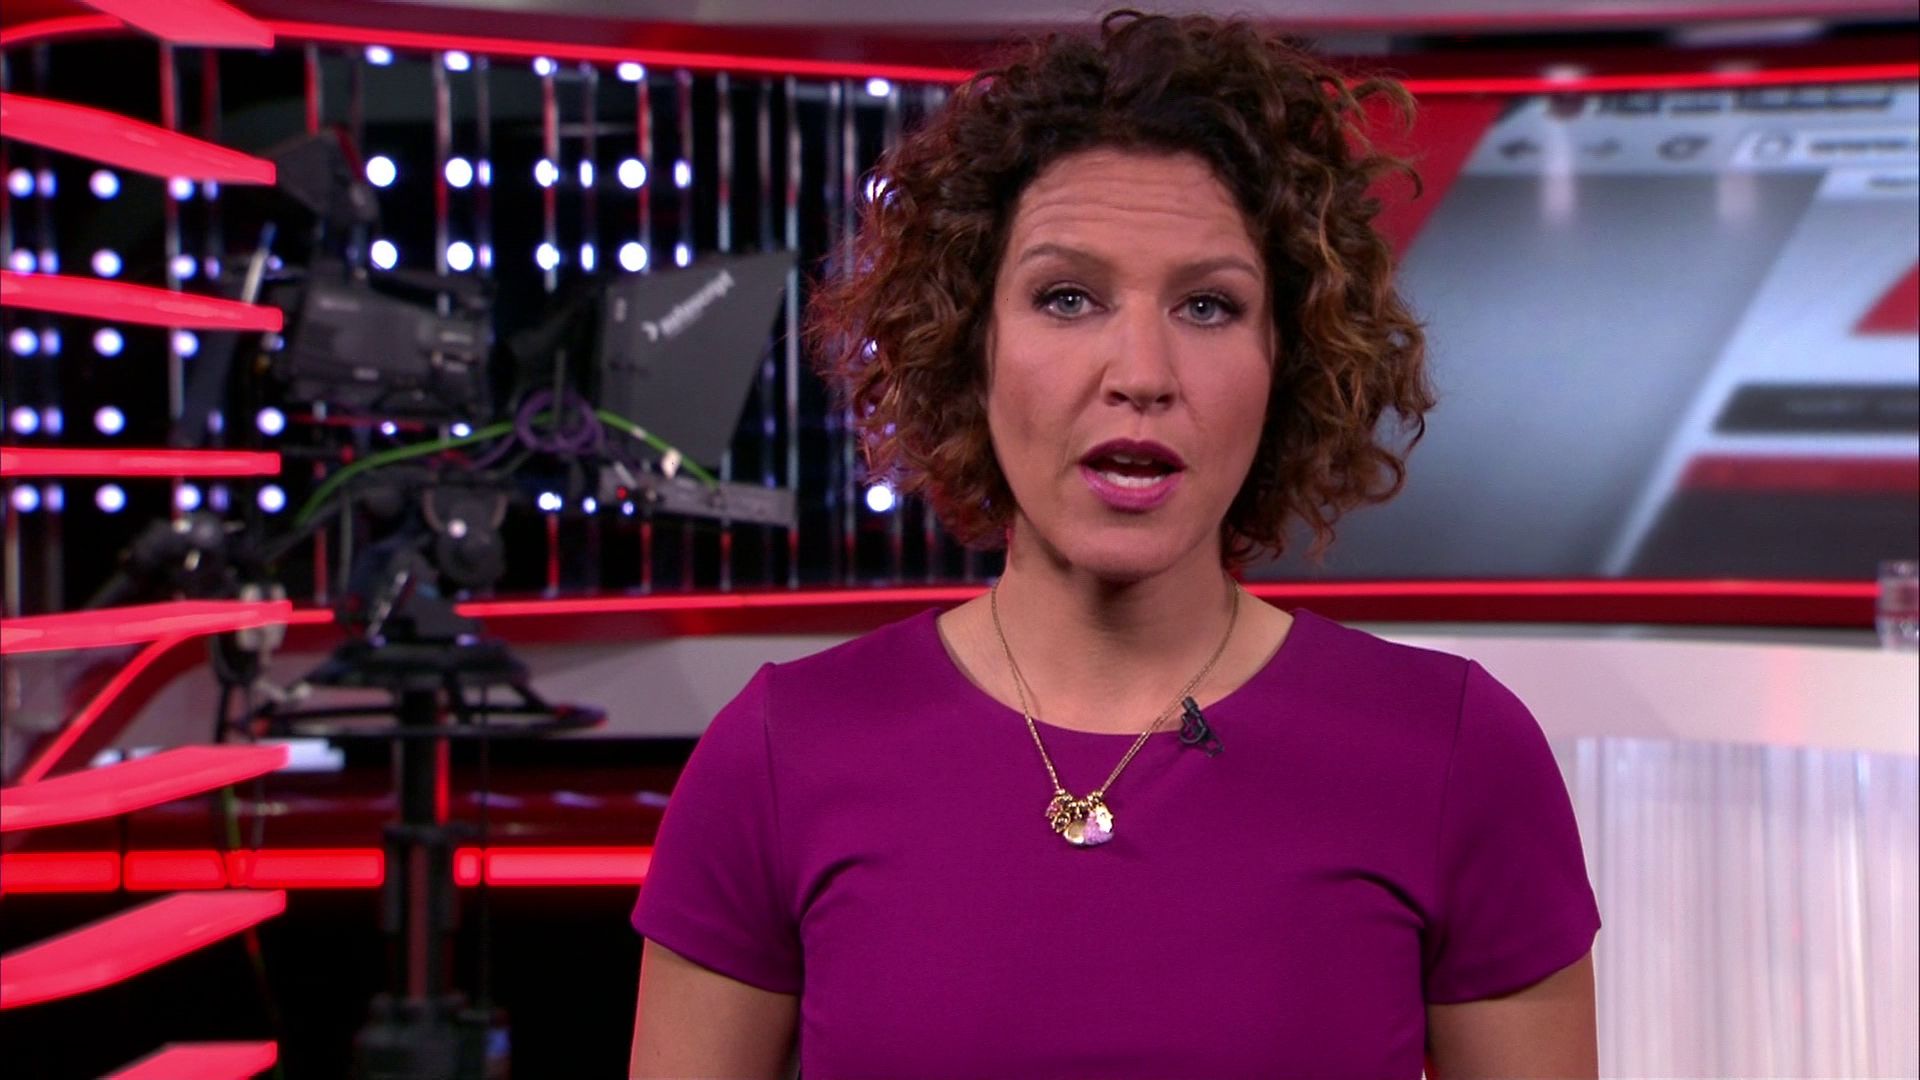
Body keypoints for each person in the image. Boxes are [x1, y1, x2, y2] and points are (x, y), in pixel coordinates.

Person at [629, 11, 1600, 1078]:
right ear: (969, 345)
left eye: (1208, 306)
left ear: (1291, 360)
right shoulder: (782, 753)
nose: (1141, 372)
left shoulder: (1455, 754)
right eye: (1067, 298)